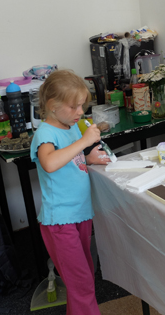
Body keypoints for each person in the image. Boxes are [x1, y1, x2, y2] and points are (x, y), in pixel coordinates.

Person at [30, 69, 110, 315]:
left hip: (80, 214)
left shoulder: (70, 126)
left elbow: (70, 159)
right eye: (74, 106)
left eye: (82, 105)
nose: (80, 112)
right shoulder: (45, 133)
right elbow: (50, 163)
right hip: (60, 220)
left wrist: (88, 158)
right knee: (81, 284)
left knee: (84, 277)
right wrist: (84, 142)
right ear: (52, 105)